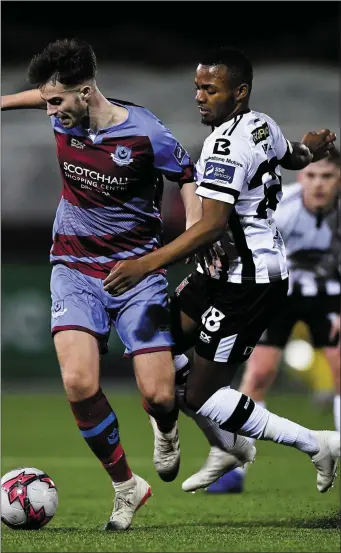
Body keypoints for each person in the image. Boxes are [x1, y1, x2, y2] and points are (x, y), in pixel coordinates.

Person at [1, 38, 257, 528]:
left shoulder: (144, 133)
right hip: (73, 266)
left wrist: (194, 229)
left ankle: (165, 426)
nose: (50, 111)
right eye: (47, 101)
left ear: (86, 91)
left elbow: (186, 175)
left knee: (162, 396)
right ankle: (125, 486)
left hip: (136, 273)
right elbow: (42, 95)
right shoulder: (64, 110)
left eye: (57, 101)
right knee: (78, 381)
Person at [104, 46, 340, 495]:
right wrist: (312, 148)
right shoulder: (263, 123)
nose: (199, 97)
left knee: (200, 395)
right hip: (220, 272)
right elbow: (291, 155)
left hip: (249, 283)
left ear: (239, 92)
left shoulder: (225, 146)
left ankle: (314, 444)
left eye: (210, 89)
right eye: (198, 88)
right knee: (155, 343)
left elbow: (211, 226)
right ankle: (222, 444)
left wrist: (144, 265)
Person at [206, 152, 341, 493]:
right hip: (278, 294)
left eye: (327, 176)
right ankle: (232, 468)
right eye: (311, 176)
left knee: (340, 368)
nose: (318, 184)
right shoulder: (281, 208)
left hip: (329, 294)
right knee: (259, 374)